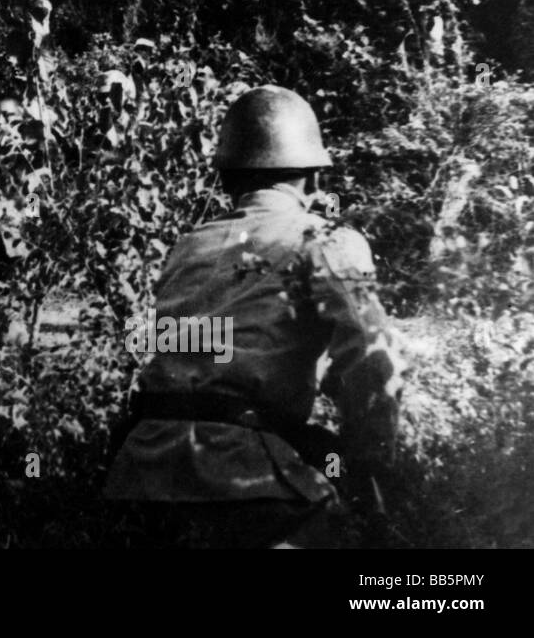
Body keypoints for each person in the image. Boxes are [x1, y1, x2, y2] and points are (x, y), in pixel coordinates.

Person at [104, 85, 404, 549]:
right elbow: (372, 362)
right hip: (248, 479)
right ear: (315, 179)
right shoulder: (324, 240)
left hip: (141, 474)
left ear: (228, 177)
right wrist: (371, 466)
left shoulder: (190, 246)